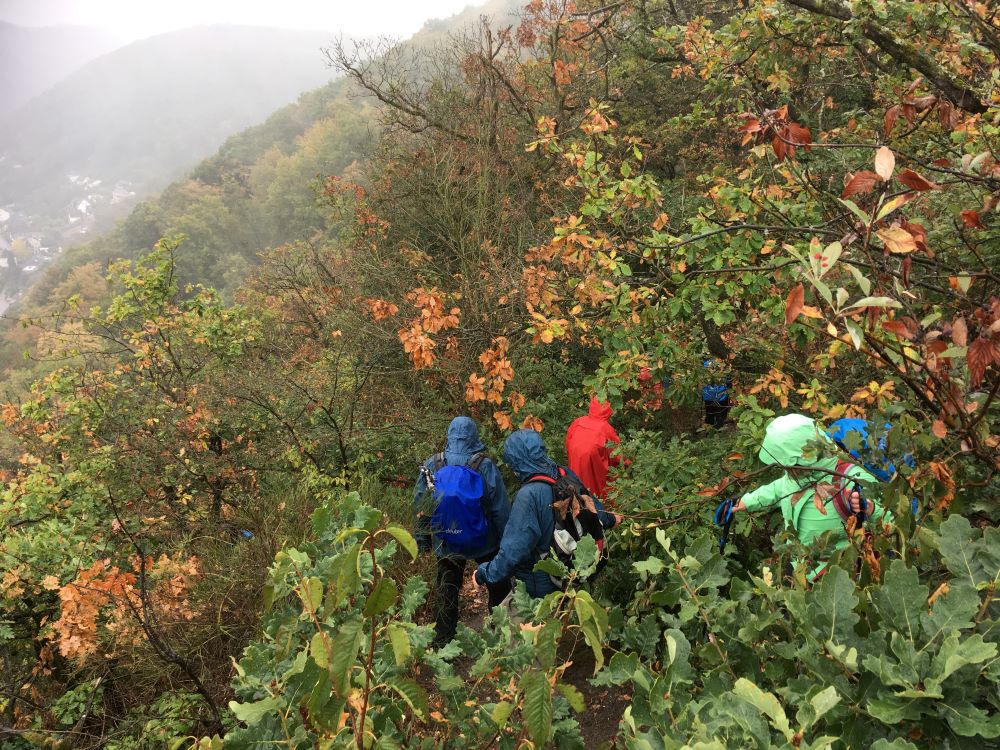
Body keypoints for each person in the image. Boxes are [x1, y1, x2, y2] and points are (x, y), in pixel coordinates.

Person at [714, 414, 894, 581]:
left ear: (803, 458)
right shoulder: (796, 476)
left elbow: (894, 523)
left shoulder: (851, 479)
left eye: (786, 465)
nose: (784, 470)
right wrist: (744, 502)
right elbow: (778, 488)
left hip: (838, 576)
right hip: (797, 565)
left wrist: (870, 509)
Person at [472, 429, 622, 599]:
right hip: (572, 569)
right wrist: (611, 519)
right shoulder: (564, 474)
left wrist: (483, 573)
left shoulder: (529, 496)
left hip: (542, 584)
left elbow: (514, 551)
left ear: (517, 461)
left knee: (534, 622)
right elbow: (593, 508)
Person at [413, 417, 510, 646]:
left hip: (447, 540)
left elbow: (421, 506)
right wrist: (507, 544)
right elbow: (499, 509)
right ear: (475, 436)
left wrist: (423, 541)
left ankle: (443, 642)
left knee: (447, 588)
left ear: (449, 435)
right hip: (483, 539)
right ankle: (499, 636)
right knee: (498, 584)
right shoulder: (484, 465)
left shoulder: (434, 464)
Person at [565, 396, 623, 500]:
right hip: (595, 474)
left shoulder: (577, 422)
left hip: (574, 472)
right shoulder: (606, 429)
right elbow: (618, 456)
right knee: (596, 498)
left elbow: (568, 445)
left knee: (579, 498)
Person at [702, 359, 731, 428]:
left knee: (710, 413)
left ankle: (710, 429)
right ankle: (718, 428)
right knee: (721, 414)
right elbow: (728, 379)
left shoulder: (706, 363)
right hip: (721, 394)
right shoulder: (725, 364)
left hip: (709, 395)